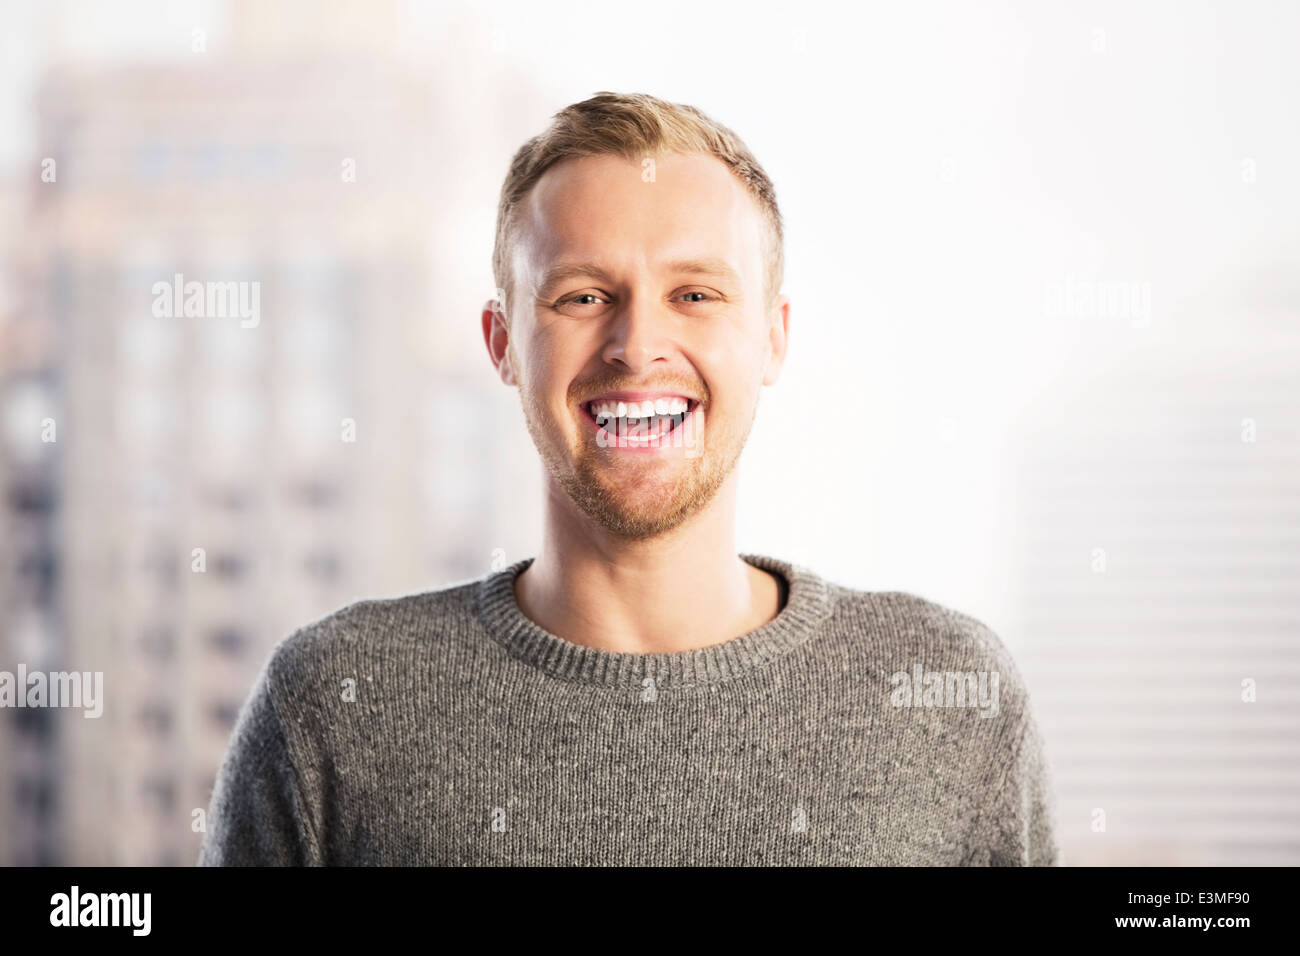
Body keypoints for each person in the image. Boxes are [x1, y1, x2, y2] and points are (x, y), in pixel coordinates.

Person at [198, 91, 1060, 866]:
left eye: (695, 295)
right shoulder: (332, 708)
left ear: (773, 338)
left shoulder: (952, 701)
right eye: (581, 297)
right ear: (502, 345)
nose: (636, 345)